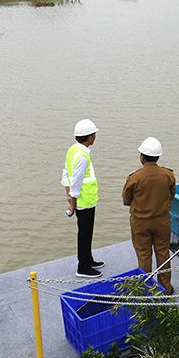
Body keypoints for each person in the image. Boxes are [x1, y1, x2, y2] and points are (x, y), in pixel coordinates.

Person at [122, 137, 176, 294]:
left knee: (144, 255)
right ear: (158, 157)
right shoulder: (168, 175)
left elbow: (126, 200)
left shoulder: (134, 178)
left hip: (140, 223)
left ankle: (147, 290)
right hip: (162, 221)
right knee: (163, 253)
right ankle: (166, 288)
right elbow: (171, 196)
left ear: (142, 157)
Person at [61, 118, 105, 278]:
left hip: (83, 201)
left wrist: (69, 198)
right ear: (90, 137)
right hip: (84, 202)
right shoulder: (83, 157)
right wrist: (72, 204)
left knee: (86, 232)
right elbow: (76, 183)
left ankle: (88, 259)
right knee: (85, 234)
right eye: (94, 135)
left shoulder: (72, 150)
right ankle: (83, 268)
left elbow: (65, 174)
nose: (95, 137)